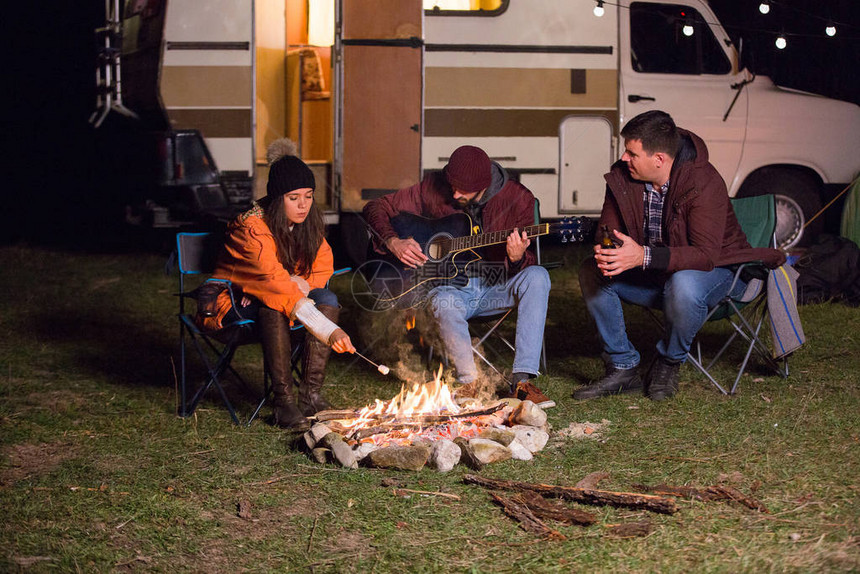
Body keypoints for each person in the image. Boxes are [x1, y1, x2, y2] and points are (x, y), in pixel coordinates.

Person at [574, 111, 785, 401]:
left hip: (720, 274)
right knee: (591, 270)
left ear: (659, 159)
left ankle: (669, 361)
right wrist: (609, 248)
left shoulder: (703, 182)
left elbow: (705, 255)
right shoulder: (624, 176)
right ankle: (622, 366)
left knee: (683, 283)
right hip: (658, 275)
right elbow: (607, 228)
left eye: (632, 153)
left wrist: (643, 257)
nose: (624, 159)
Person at [363, 145, 554, 408]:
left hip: (496, 285)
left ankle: (522, 382)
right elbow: (376, 207)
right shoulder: (435, 186)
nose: (453, 193)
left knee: (538, 277)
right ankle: (470, 383)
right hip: (453, 289)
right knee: (442, 300)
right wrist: (393, 241)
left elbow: (527, 263)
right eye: (451, 186)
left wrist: (516, 257)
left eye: (462, 190)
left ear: (483, 184)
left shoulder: (517, 198)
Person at [199, 139, 356, 429]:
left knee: (328, 299)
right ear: (276, 198)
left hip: (278, 295)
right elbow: (270, 279)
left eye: (308, 196)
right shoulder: (252, 228)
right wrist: (328, 330)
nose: (303, 205)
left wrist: (302, 285)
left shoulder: (307, 222)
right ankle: (283, 403)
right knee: (272, 308)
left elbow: (322, 264)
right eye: (294, 197)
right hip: (230, 303)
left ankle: (310, 396)